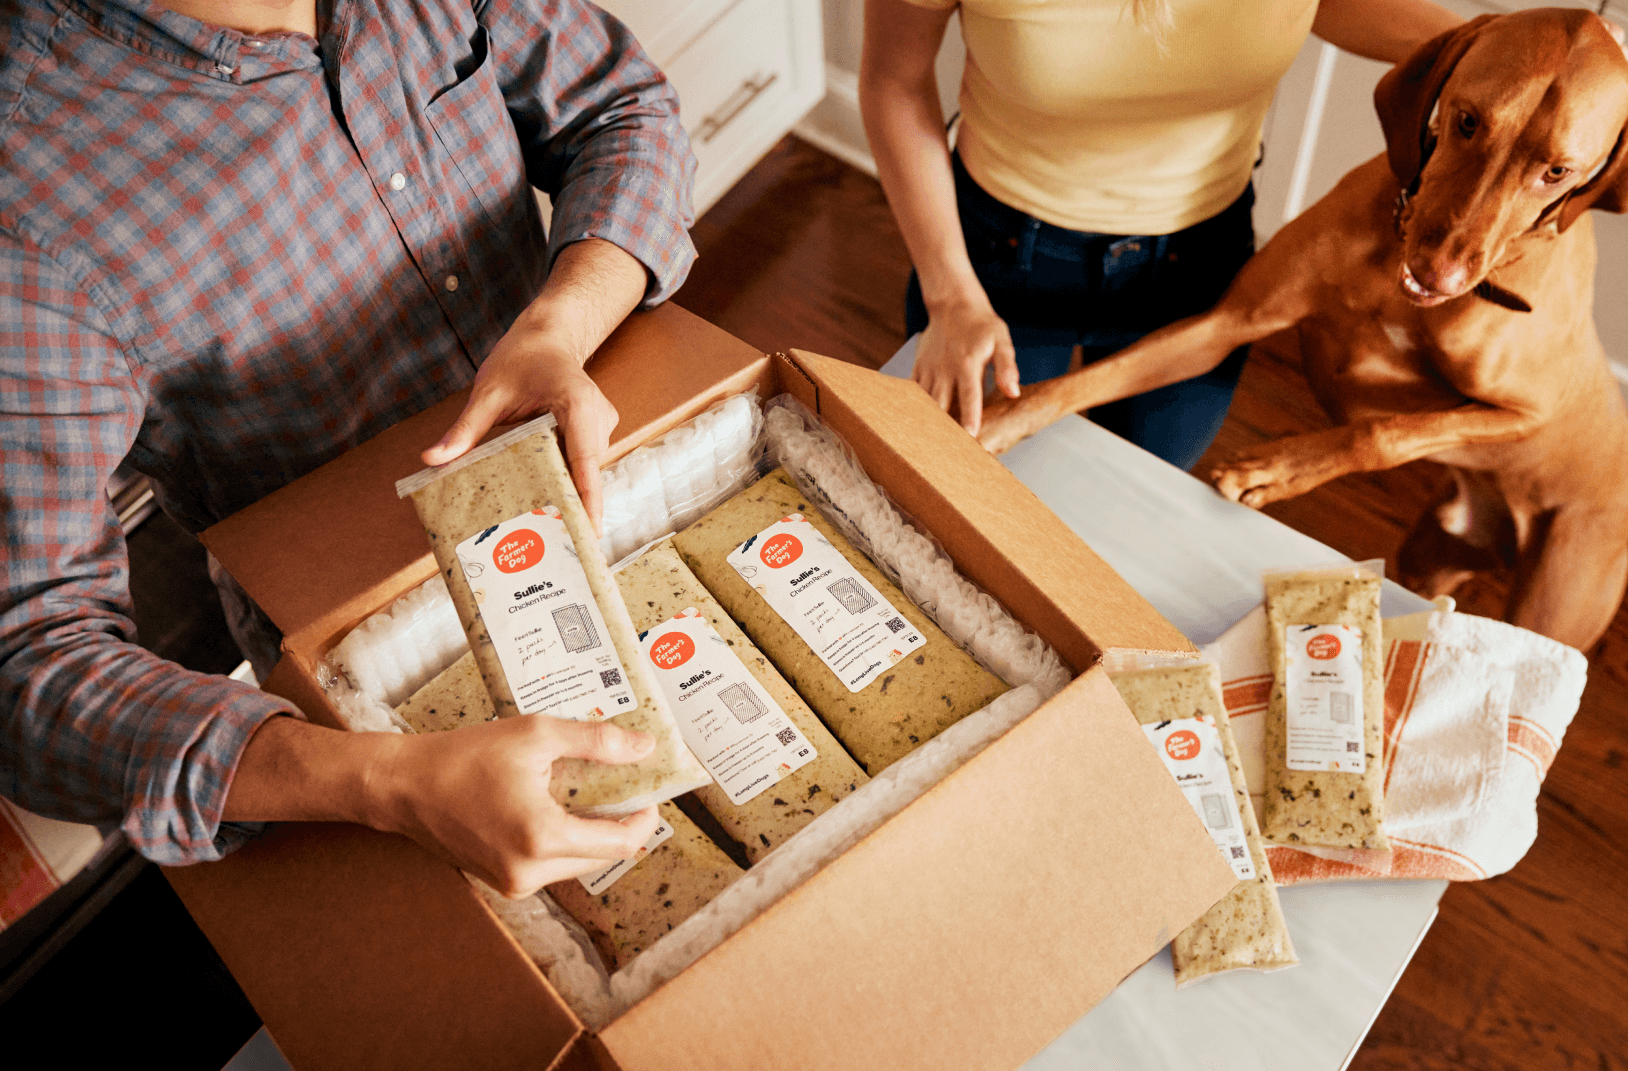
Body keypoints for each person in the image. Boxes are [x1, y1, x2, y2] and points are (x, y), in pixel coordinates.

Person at [0, 0, 696, 897]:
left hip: (611, 495)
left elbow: (623, 110)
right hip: (379, 689)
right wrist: (387, 785)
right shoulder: (24, 192)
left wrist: (563, 323)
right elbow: (26, 665)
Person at [861, 0, 1463, 469]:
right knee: (964, 487)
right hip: (996, 263)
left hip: (1194, 270)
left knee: (1137, 489)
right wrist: (951, 297)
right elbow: (895, 81)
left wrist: (1480, 47)